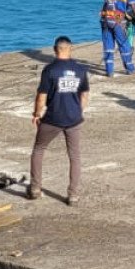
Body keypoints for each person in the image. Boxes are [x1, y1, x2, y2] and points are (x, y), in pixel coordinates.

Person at [30, 36, 88, 203]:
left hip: (52, 118)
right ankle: (73, 194)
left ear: (55, 50)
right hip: (74, 119)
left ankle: (35, 188)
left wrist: (36, 114)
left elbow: (41, 96)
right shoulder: (80, 69)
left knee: (39, 149)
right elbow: (84, 95)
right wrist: (77, 111)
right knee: (74, 156)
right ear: (71, 48)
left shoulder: (49, 70)